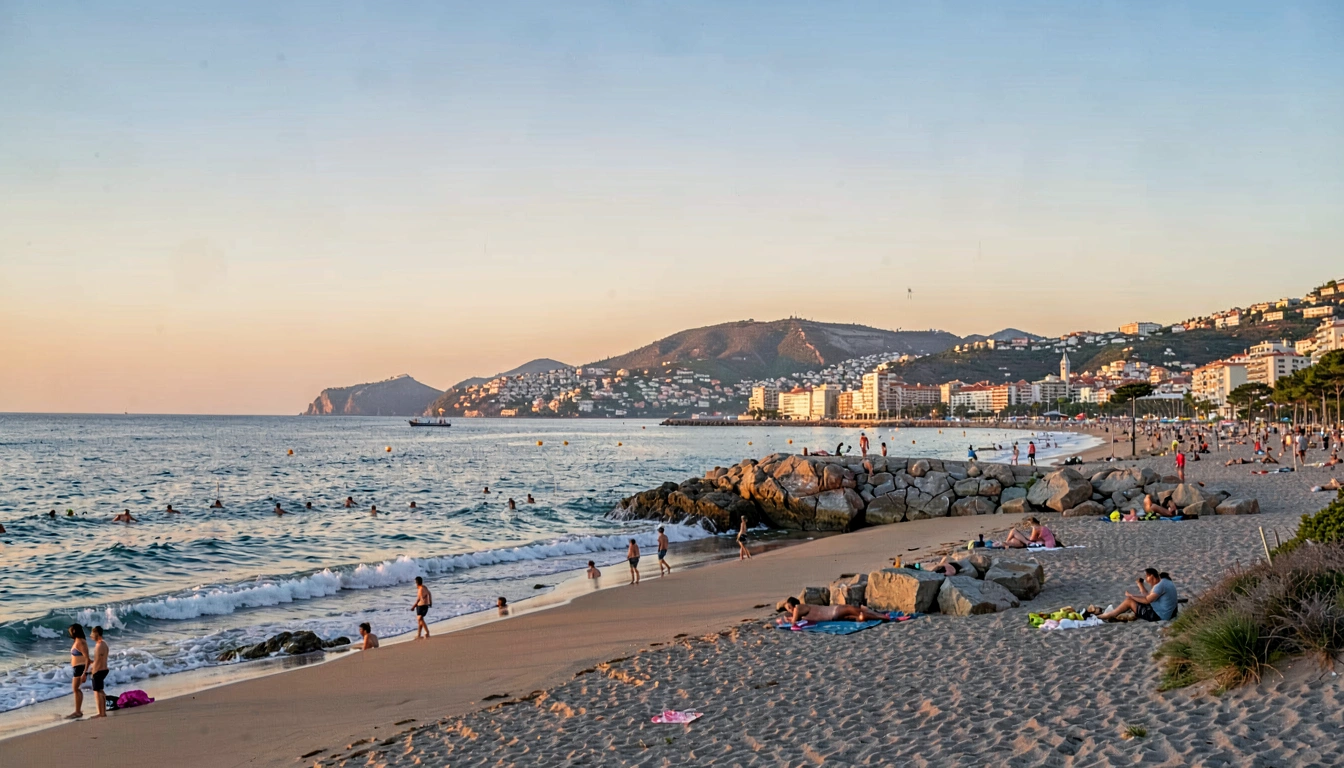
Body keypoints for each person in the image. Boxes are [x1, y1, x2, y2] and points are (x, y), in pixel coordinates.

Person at [1099, 568, 1178, 622]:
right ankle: (1115, 613)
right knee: (1134, 601)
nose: (1146, 580)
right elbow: (1148, 596)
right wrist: (1140, 584)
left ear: (1151, 576)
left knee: (1129, 601)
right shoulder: (1165, 581)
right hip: (1168, 613)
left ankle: (1109, 615)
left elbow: (1147, 600)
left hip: (1160, 615)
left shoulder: (1159, 586)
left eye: (1147, 577)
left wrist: (1131, 596)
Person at [783, 596, 891, 625]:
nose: (789, 610)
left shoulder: (798, 607)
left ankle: (879, 616)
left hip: (835, 611)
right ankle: (878, 615)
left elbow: (794, 621)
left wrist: (789, 620)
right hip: (834, 615)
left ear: (792, 605)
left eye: (788, 607)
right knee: (857, 616)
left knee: (856, 612)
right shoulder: (802, 610)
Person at [67, 624, 88, 719]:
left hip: (80, 668)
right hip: (77, 668)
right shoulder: (78, 641)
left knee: (76, 689)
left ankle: (78, 711)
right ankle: (78, 710)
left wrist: (84, 673)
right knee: (76, 689)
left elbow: (87, 658)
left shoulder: (80, 642)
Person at [89, 626, 109, 718]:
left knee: (99, 691)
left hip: (99, 670)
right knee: (99, 690)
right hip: (104, 669)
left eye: (92, 633)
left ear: (96, 634)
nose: (91, 635)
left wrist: (93, 671)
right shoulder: (104, 644)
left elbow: (97, 660)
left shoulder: (99, 645)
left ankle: (102, 713)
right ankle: (102, 711)